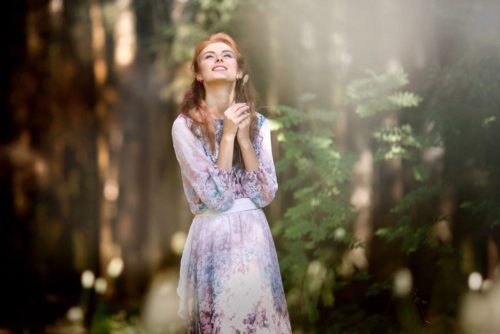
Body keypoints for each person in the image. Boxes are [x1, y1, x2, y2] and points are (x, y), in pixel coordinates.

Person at [172, 32, 292, 333]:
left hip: (254, 236)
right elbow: (216, 197)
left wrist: (243, 138)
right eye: (209, 56)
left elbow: (264, 194)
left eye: (227, 56)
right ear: (199, 74)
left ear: (239, 71)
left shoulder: (259, 124)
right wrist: (226, 136)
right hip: (213, 236)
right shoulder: (185, 127)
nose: (219, 60)